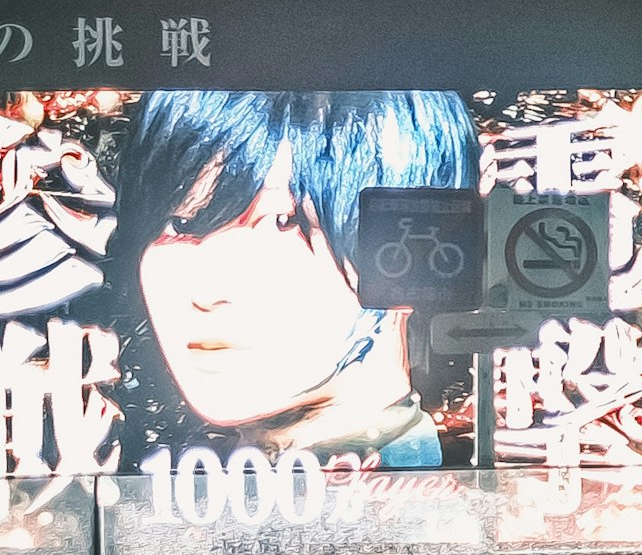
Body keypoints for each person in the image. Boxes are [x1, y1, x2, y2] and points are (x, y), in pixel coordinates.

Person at [101, 85, 479, 465]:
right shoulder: (175, 488)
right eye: (181, 223)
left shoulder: (443, 504)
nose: (207, 290)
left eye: (285, 222)